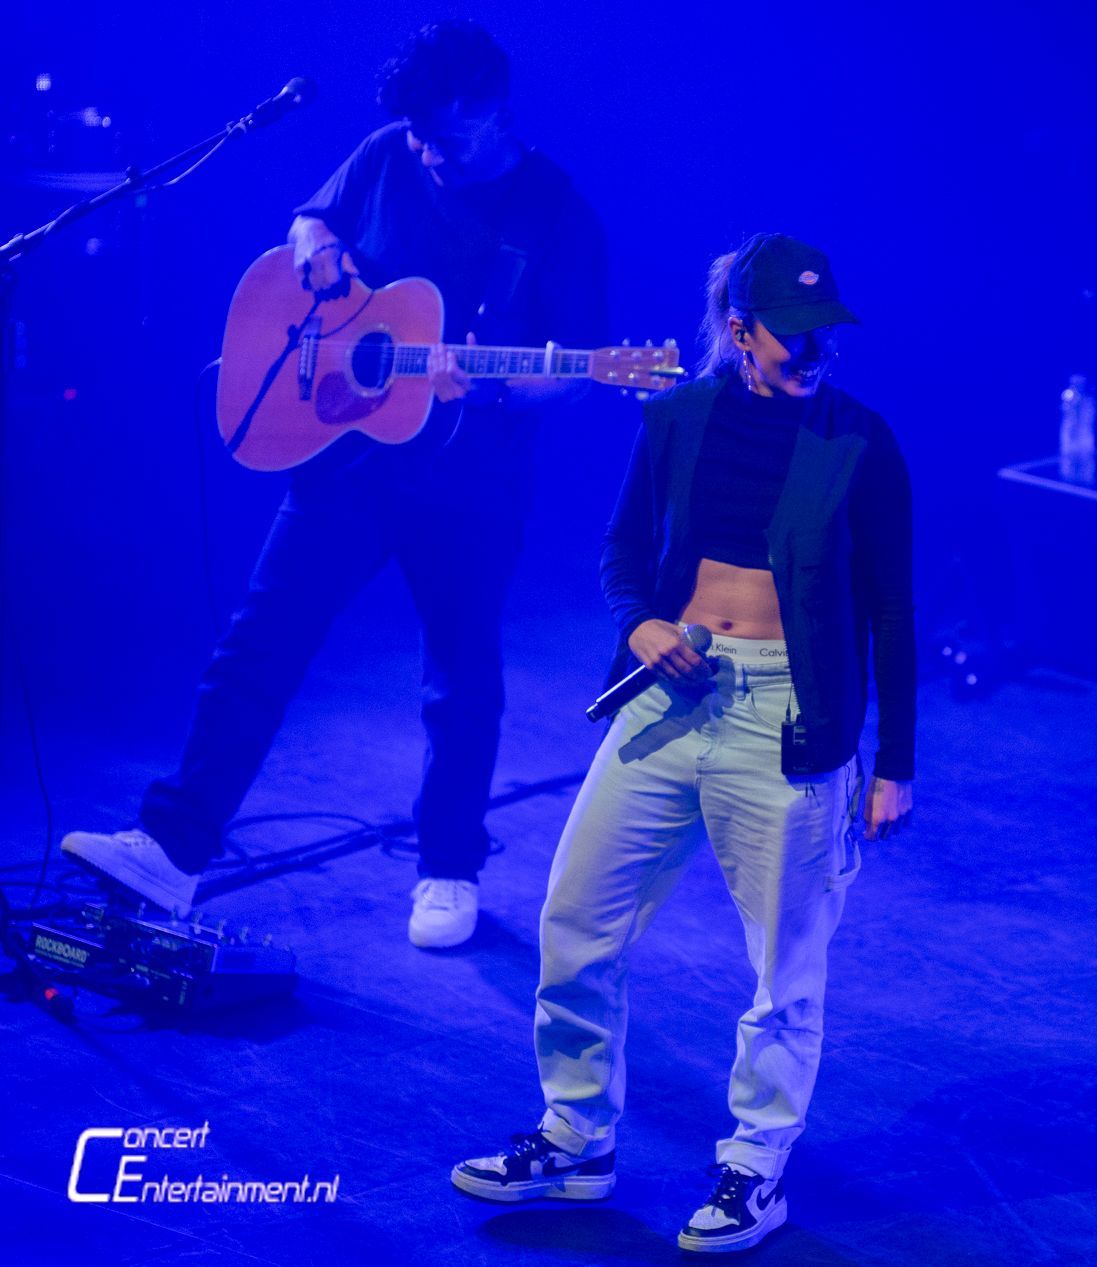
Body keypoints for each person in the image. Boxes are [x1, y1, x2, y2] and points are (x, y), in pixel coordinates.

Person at [59, 20, 609, 949]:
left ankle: (449, 868)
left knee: (460, 681)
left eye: (444, 136)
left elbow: (582, 369)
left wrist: (492, 384)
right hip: (347, 457)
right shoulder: (387, 152)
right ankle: (172, 850)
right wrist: (315, 245)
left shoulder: (556, 213)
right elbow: (310, 219)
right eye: (417, 134)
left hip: (473, 484)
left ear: (495, 111)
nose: (425, 152)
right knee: (259, 644)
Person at [449, 233, 915, 1253]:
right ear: (740, 330)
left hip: (791, 715)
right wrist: (640, 624)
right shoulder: (677, 417)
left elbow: (892, 608)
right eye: (791, 333)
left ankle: (756, 1167)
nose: (814, 350)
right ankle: (576, 1138)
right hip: (667, 693)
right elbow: (622, 551)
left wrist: (895, 763)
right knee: (577, 918)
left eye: (823, 331)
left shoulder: (860, 440)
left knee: (785, 967)